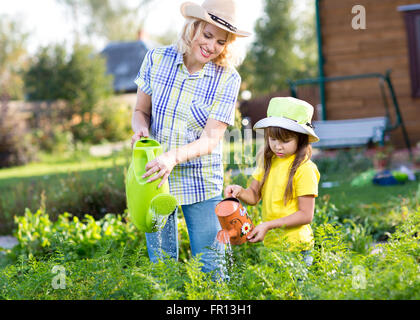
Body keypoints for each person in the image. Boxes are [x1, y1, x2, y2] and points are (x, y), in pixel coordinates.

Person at [131, 0, 250, 275]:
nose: (211, 46)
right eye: (207, 35)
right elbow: (140, 111)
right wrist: (140, 129)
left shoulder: (227, 78)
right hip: (156, 179)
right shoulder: (157, 59)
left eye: (221, 41)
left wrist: (173, 157)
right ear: (192, 28)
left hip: (201, 180)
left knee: (211, 267)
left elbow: (210, 140)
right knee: (162, 268)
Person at [224, 97, 320, 266]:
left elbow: (306, 215)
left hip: (297, 248)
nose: (278, 147)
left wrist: (268, 225)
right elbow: (254, 196)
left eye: (285, 140)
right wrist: (240, 191)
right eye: (273, 139)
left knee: (295, 292)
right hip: (272, 246)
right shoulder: (268, 160)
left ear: (301, 139)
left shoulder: (304, 169)